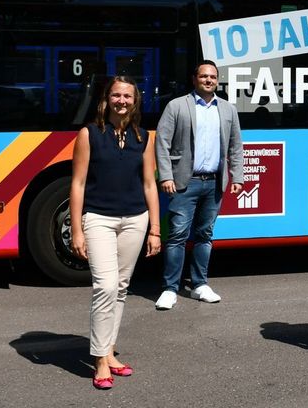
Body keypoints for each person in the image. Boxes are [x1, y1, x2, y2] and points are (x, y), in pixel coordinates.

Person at [69, 76, 162, 390]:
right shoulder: (89, 134)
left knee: (121, 286)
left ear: (135, 102)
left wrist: (156, 230)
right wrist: (77, 230)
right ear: (106, 99)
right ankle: (98, 359)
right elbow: (78, 184)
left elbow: (150, 183)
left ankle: (109, 351)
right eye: (116, 95)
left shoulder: (144, 137)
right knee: (106, 286)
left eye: (128, 96)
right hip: (99, 219)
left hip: (136, 219)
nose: (122, 101)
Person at [154, 61, 244, 310]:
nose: (208, 80)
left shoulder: (228, 109)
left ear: (217, 80)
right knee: (177, 236)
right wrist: (166, 176)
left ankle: (199, 285)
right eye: (204, 76)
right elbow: (162, 142)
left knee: (205, 235)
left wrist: (237, 177)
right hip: (185, 182)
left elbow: (236, 146)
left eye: (213, 77)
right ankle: (170, 288)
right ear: (194, 79)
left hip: (214, 183)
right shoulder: (177, 106)